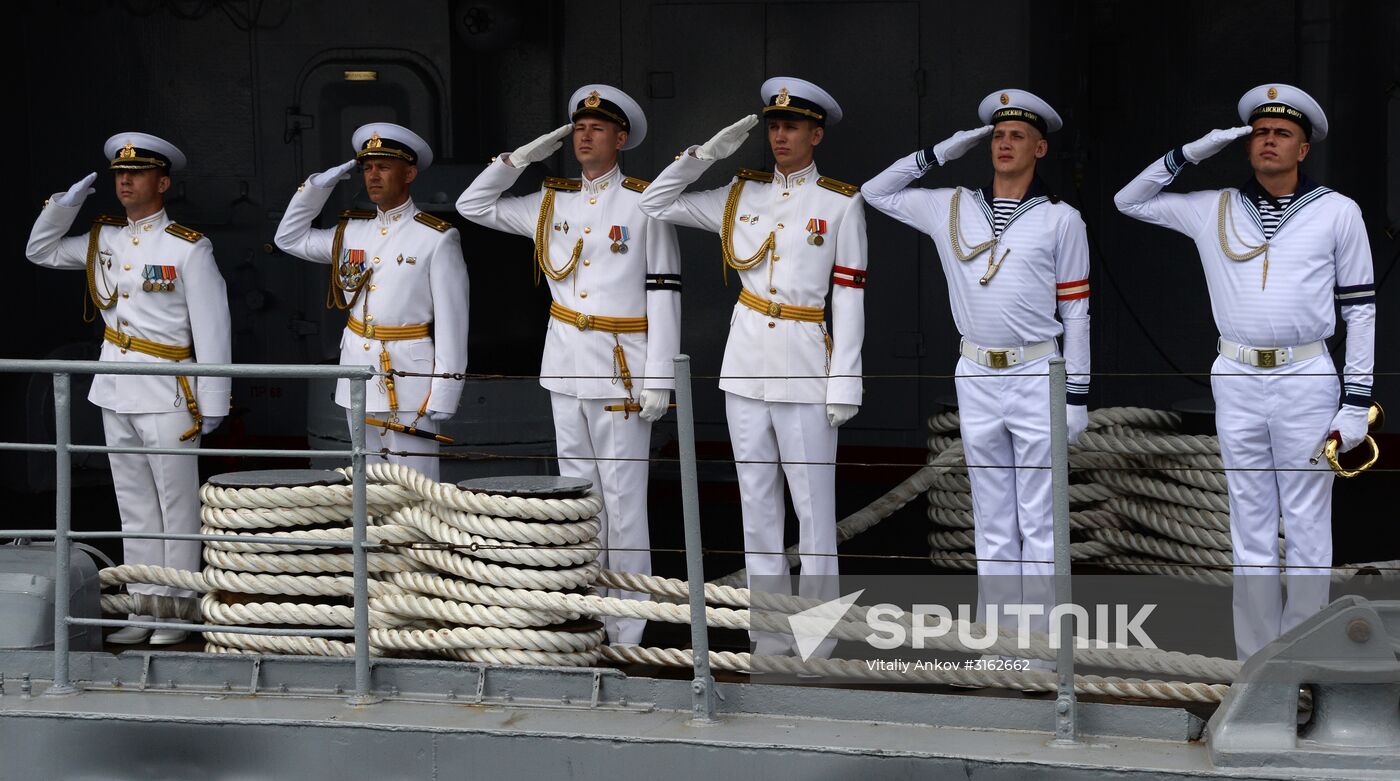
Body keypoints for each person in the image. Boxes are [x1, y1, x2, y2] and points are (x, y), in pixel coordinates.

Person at [1114, 83, 1375, 659]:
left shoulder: (1338, 211)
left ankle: (1304, 659)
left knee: (1306, 522)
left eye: (1283, 133)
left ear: (1303, 150)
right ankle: (1257, 661)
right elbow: (1128, 200)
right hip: (1235, 374)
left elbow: (1361, 309)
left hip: (1307, 376)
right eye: (1260, 133)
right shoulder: (1213, 207)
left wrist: (1356, 402)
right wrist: (1197, 149)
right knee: (1249, 521)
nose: (1269, 141)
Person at [638, 77, 867, 658]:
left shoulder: (840, 201)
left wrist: (845, 376)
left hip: (805, 364)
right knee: (758, 509)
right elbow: (653, 203)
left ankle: (819, 639)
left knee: (815, 514)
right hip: (744, 368)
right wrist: (703, 156)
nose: (780, 135)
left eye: (792, 126)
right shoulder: (739, 192)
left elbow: (849, 297)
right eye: (774, 126)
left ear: (816, 134)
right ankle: (766, 636)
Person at [862, 90, 1091, 662]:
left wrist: (1078, 393)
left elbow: (1078, 310)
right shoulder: (950, 206)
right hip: (977, 371)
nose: (1005, 142)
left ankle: (1040, 650)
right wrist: (945, 148)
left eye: (1018, 135)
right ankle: (1000, 646)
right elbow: (876, 191)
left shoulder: (1062, 219)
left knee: (1038, 521)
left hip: (1038, 368)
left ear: (1040, 147)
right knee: (992, 520)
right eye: (996, 134)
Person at [456, 85, 680, 646]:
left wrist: (660, 378)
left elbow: (664, 292)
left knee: (625, 498)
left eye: (597, 128)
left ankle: (628, 621)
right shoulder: (550, 202)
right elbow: (472, 205)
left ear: (621, 138)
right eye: (578, 128)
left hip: (621, 367)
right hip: (565, 365)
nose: (584, 136)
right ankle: (588, 607)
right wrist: (518, 161)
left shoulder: (645, 201)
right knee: (580, 494)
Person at [26, 132, 232, 645]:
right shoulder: (105, 239)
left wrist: (213, 403)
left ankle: (178, 608)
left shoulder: (188, 247)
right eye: (120, 173)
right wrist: (66, 204)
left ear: (162, 182)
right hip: (115, 387)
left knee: (176, 504)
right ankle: (143, 607)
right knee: (134, 504)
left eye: (136, 174)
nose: (125, 179)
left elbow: (213, 330)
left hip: (168, 390)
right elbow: (40, 251)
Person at [276, 123, 469, 481]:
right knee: (369, 488)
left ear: (409, 173)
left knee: (416, 487)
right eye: (367, 168)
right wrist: (320, 185)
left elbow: (454, 323)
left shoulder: (436, 238)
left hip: (411, 381)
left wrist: (445, 390)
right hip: (359, 373)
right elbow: (289, 238)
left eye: (384, 167)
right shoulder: (351, 232)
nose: (373, 176)